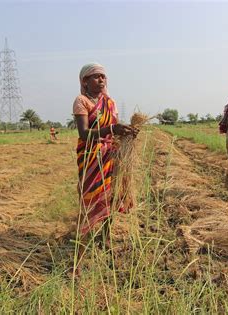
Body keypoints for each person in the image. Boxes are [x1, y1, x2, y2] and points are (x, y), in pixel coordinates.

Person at [72, 62, 138, 274]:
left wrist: (126, 133)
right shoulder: (81, 101)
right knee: (90, 199)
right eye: (95, 76)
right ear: (85, 81)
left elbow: (115, 130)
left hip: (110, 155)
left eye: (103, 77)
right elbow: (83, 134)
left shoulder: (110, 102)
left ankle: (105, 236)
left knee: (111, 195)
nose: (101, 80)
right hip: (91, 157)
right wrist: (112, 128)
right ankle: (79, 255)